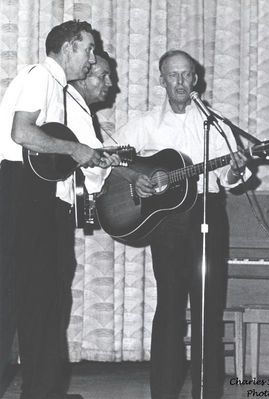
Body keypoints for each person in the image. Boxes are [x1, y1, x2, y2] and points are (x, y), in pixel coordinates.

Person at [111, 50, 251, 399]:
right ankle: (163, 390)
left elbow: (233, 177)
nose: (179, 82)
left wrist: (233, 170)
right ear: (161, 81)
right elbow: (106, 153)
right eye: (172, 75)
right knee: (170, 305)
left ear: (195, 80)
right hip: (168, 222)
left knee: (208, 307)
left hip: (209, 213)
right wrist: (134, 176)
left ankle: (208, 392)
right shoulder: (145, 123)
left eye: (185, 75)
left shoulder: (216, 123)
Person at [0, 21, 119, 399]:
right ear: (67, 48)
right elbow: (23, 133)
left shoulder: (60, 88)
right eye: (87, 49)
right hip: (24, 192)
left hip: (43, 198)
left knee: (44, 300)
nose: (90, 59)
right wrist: (74, 150)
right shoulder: (39, 75)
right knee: (25, 298)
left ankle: (42, 391)